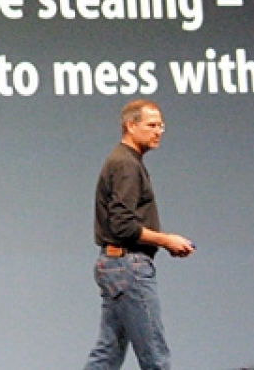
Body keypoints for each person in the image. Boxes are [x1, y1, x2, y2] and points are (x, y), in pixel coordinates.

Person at [83, 99, 195, 370]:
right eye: (151, 125)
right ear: (130, 126)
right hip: (128, 267)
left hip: (115, 266)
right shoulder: (126, 165)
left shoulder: (125, 161)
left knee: (107, 354)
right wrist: (166, 240)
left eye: (161, 126)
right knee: (155, 356)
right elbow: (122, 225)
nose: (158, 132)